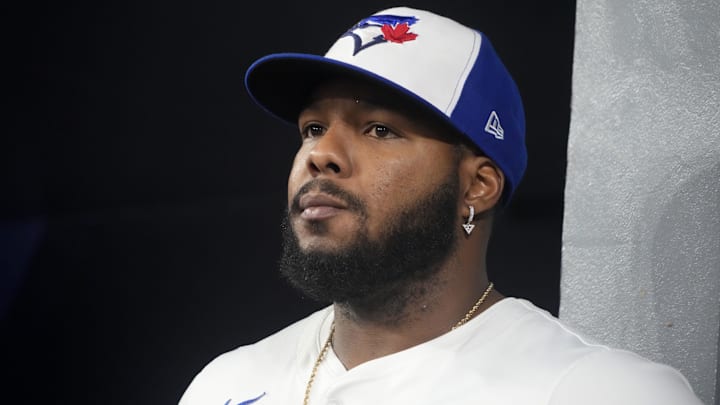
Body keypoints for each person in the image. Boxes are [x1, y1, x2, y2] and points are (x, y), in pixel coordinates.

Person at [179, 6, 702, 405]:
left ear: (477, 186)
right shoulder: (227, 382)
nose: (321, 155)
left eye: (379, 129)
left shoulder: (600, 392)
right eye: (313, 128)